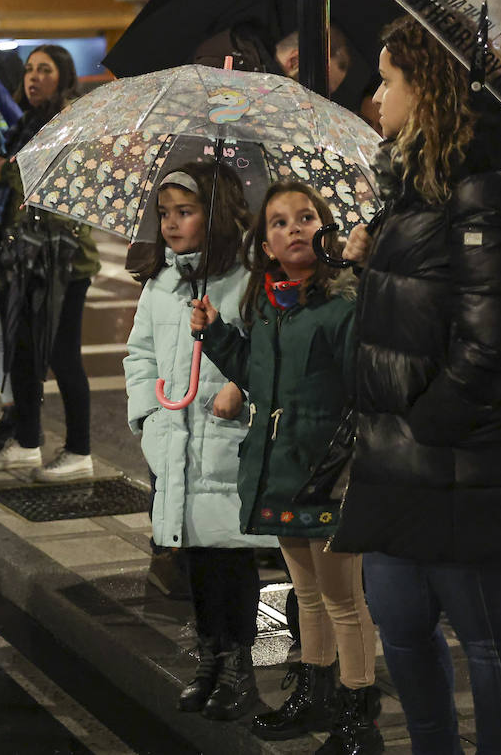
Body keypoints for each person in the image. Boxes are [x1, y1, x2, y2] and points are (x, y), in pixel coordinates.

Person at [331, 16, 501, 755]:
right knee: (399, 624)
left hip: (466, 457)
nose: (375, 97)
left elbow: (495, 344)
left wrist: (427, 425)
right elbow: (418, 306)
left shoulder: (489, 191)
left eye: (388, 80)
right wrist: (369, 256)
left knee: (488, 636)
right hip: (402, 455)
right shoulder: (414, 185)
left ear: (427, 91)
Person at [193, 181, 381, 750]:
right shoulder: (270, 307)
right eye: (279, 222)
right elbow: (259, 378)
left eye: (305, 218)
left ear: (324, 232)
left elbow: (366, 384)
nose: (293, 228)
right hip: (280, 469)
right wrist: (217, 335)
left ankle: (357, 715)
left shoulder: (344, 303)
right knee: (307, 592)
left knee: (344, 598)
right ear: (266, 245)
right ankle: (316, 694)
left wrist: (368, 279)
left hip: (327, 471)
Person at [124, 163, 277, 720]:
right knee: (193, 559)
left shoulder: (245, 279)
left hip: (223, 444)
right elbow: (139, 353)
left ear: (215, 218)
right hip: (174, 441)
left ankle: (240, 670)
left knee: (230, 559)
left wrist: (239, 388)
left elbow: (267, 355)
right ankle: (209, 659)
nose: (170, 223)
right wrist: (145, 417)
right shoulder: (162, 282)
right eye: (164, 213)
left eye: (184, 212)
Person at [0, 45, 101, 482]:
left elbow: (58, 182)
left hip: (63, 262)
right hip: (20, 257)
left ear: (62, 76)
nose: (33, 77)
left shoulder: (71, 123)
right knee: (22, 353)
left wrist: (6, 171)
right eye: (29, 69)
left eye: (44, 70)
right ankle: (28, 443)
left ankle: (79, 450)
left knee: (62, 356)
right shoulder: (19, 123)